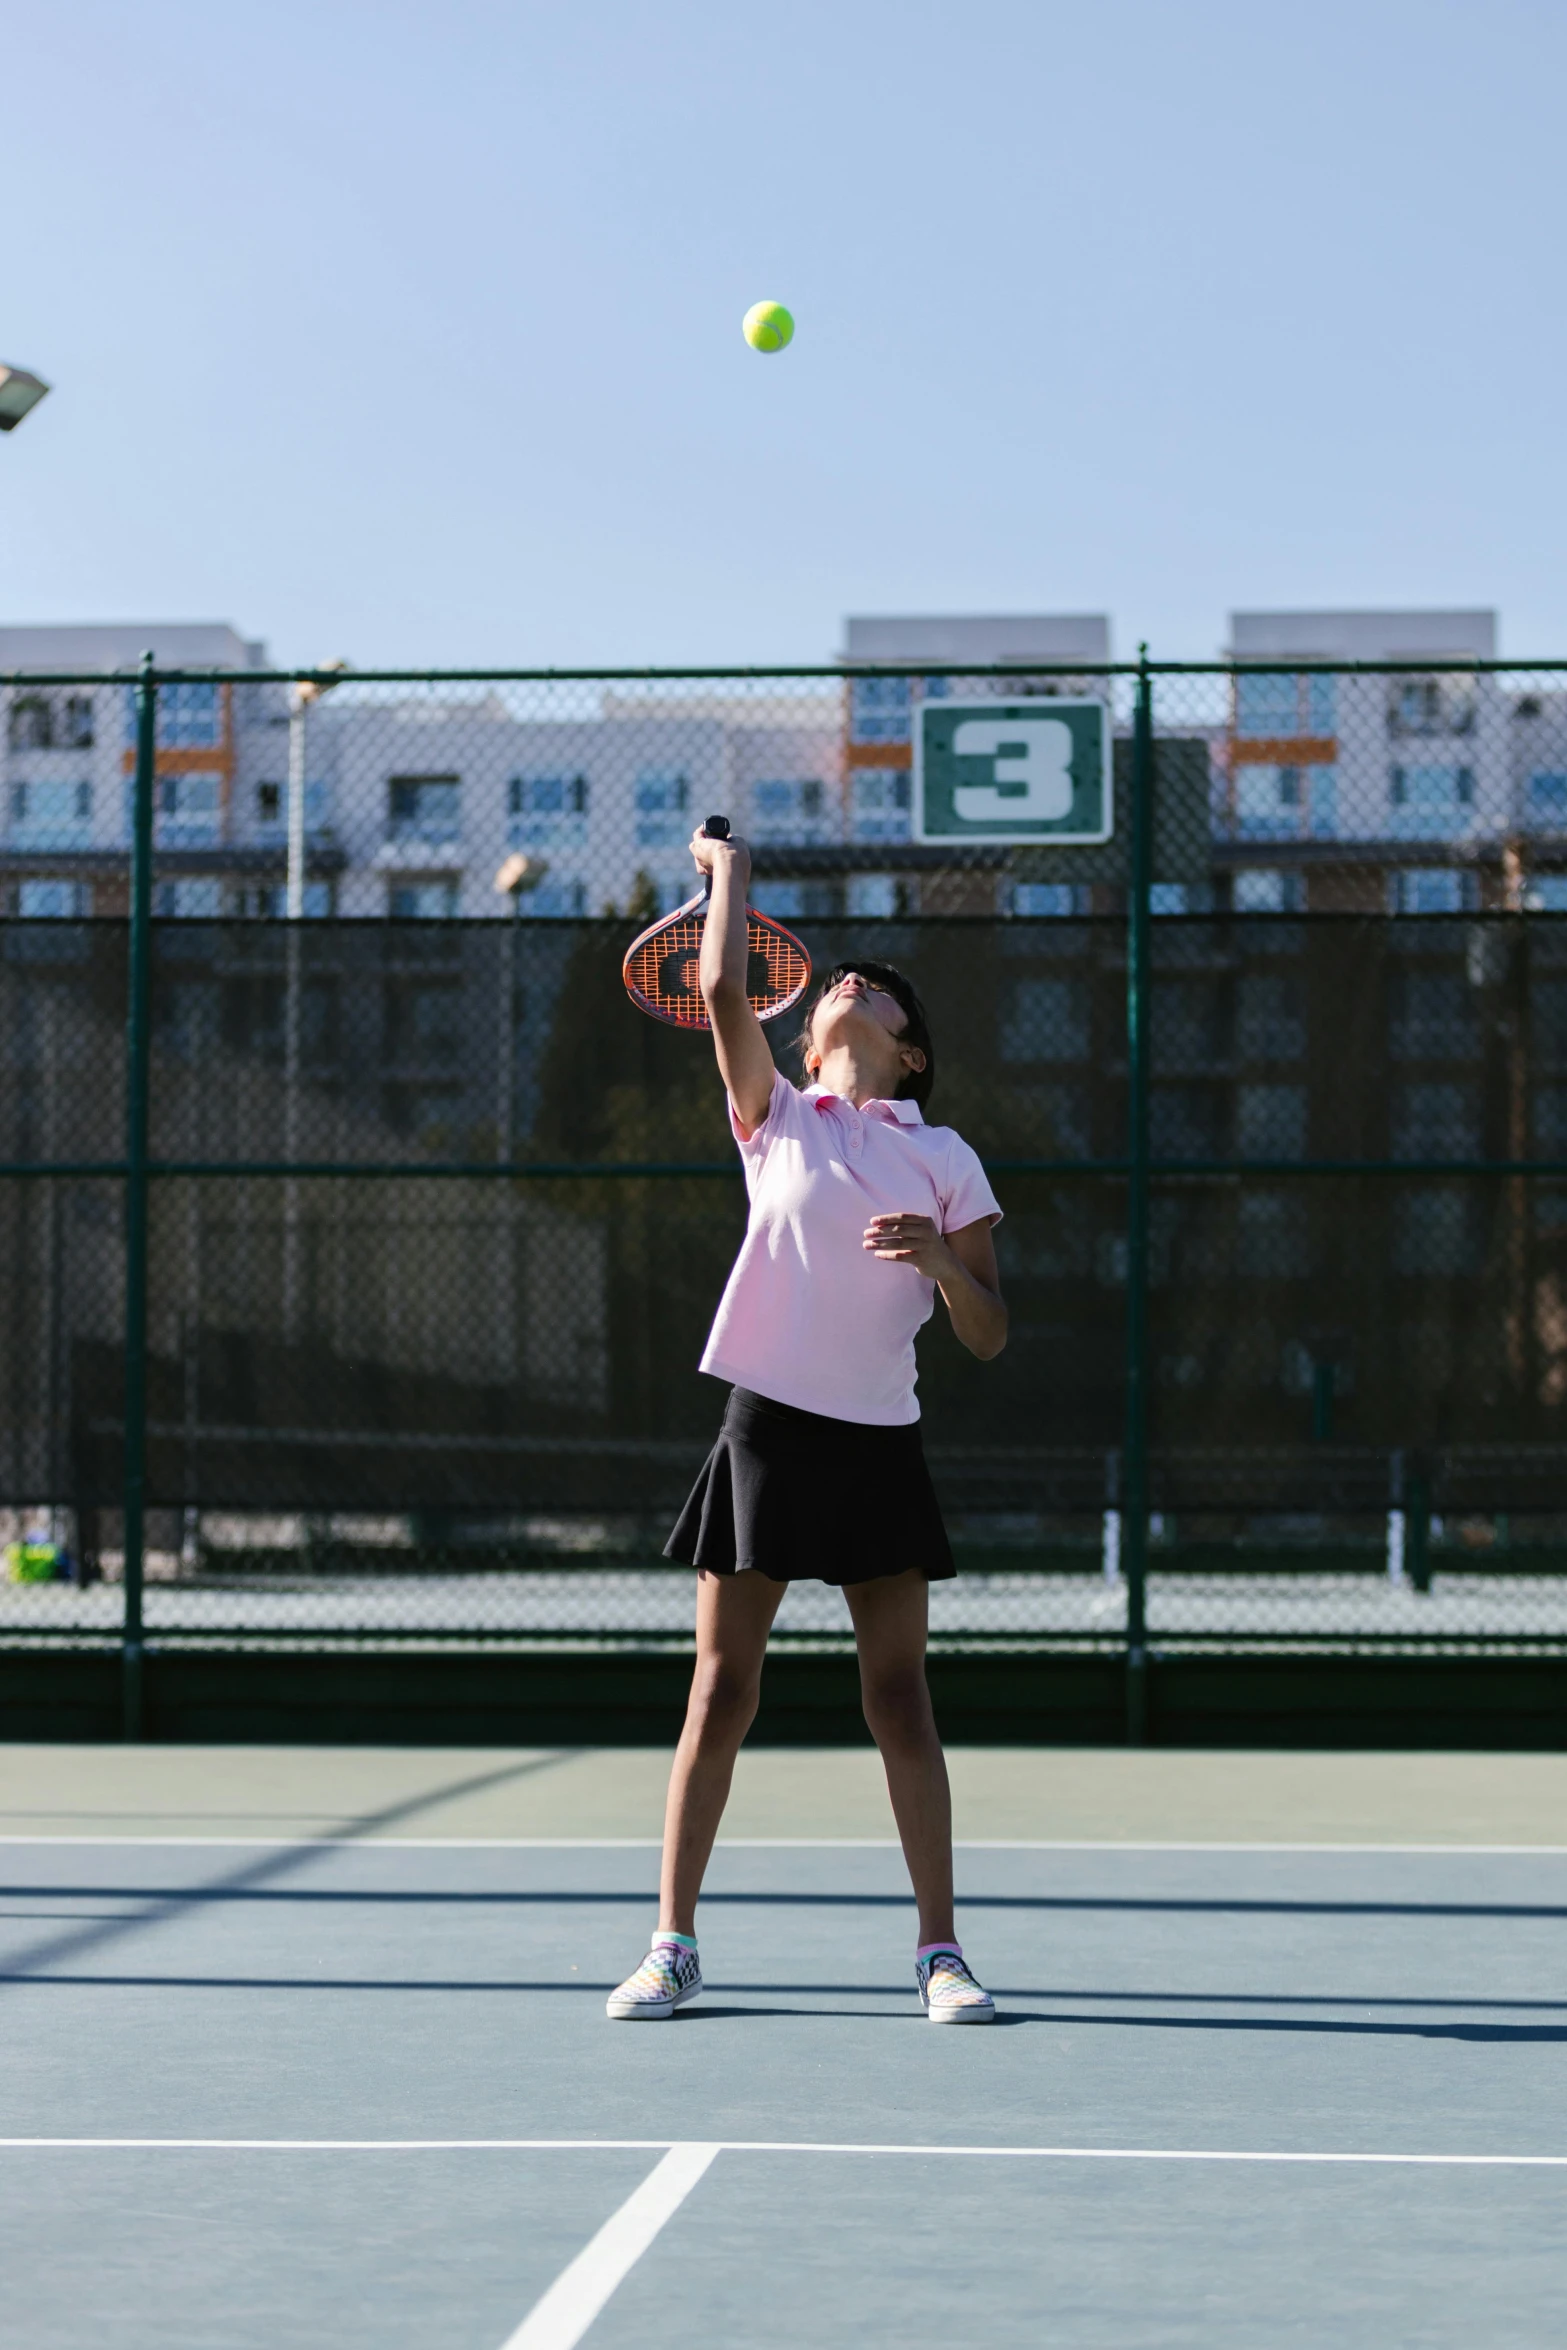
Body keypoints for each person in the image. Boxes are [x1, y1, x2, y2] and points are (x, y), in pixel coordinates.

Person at [607, 823, 1007, 2026]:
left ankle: (940, 1950)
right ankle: (672, 1942)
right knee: (721, 1692)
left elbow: (986, 1331)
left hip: (877, 1436)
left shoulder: (942, 1155)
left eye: (872, 987)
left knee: (899, 1700)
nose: (846, 982)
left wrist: (942, 1260)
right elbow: (722, 983)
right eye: (838, 978)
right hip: (767, 1429)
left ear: (910, 1047)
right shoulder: (774, 1115)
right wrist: (724, 875)